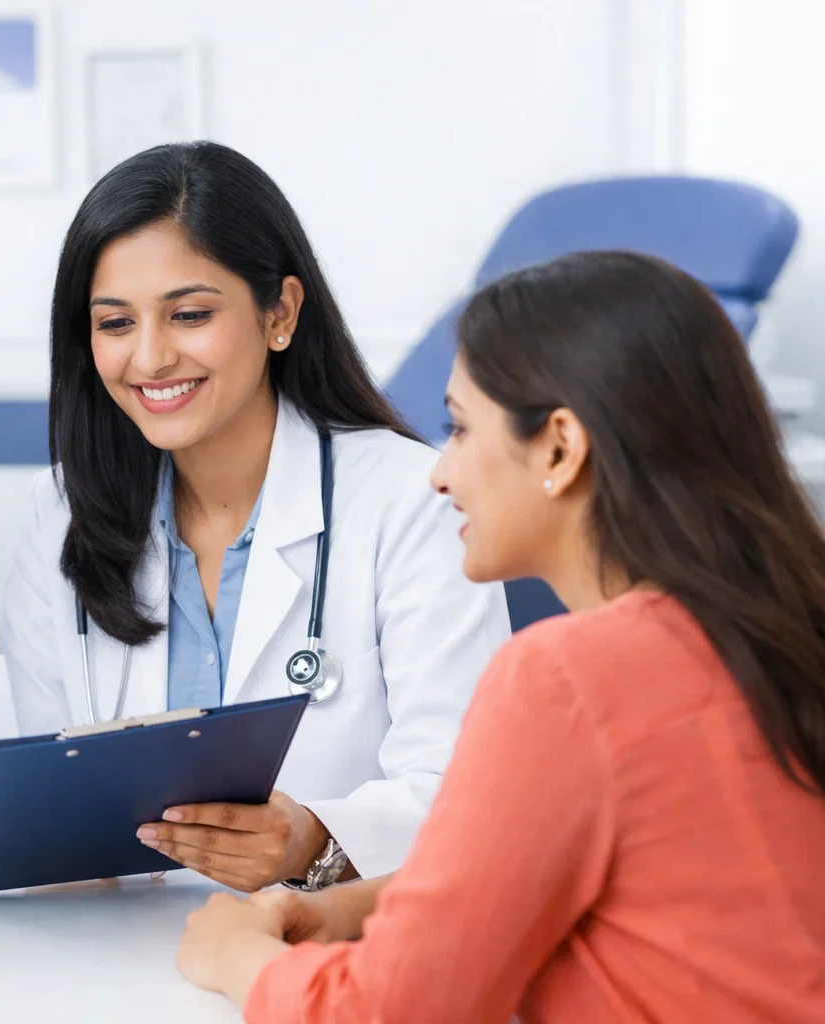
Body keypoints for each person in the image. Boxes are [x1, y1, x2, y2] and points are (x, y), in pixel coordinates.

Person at [175, 251, 825, 1022]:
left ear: (559, 446)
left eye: (458, 428)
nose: (439, 473)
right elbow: (634, 886)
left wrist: (236, 958)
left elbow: (390, 1013)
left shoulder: (570, 678)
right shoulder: (770, 626)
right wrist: (354, 910)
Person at [0, 142, 509, 891]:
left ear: (280, 312)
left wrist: (317, 845)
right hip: (106, 957)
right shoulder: (61, 513)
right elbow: (27, 777)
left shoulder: (410, 498)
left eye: (190, 314)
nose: (149, 357)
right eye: (114, 324)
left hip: (331, 960)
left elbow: (471, 792)